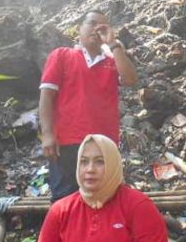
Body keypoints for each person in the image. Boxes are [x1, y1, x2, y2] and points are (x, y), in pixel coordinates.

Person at [34, 134, 169, 242]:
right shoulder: (60, 211)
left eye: (99, 162)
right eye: (84, 162)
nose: (90, 169)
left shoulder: (138, 205)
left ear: (113, 164)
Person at [39, 10, 138, 201]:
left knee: (104, 197)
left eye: (103, 26)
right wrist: (48, 134)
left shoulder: (111, 62)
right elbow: (46, 96)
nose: (97, 29)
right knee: (65, 198)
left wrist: (114, 44)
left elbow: (131, 80)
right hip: (67, 141)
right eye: (92, 23)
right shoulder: (62, 55)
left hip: (104, 143)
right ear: (79, 29)